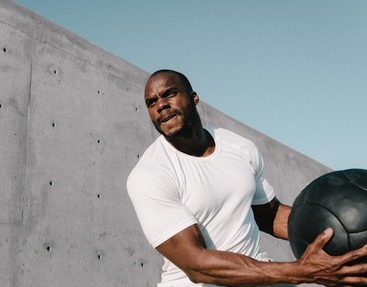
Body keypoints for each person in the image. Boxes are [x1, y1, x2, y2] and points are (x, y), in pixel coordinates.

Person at [126, 69, 367, 286]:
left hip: (257, 278)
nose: (161, 105)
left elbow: (269, 215)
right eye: (151, 102)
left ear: (194, 98)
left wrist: (340, 231)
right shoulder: (150, 175)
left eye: (169, 94)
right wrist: (301, 271)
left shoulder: (238, 147)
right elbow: (196, 265)